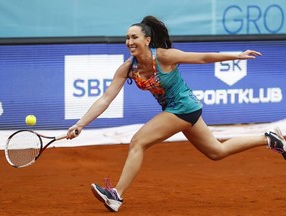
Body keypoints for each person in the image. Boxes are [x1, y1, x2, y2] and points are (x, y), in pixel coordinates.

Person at [67, 15, 286, 212]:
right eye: (127, 38)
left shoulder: (164, 56)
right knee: (216, 151)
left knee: (138, 142)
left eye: (134, 37)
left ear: (147, 40)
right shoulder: (128, 68)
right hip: (182, 109)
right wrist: (80, 124)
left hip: (183, 107)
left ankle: (116, 195)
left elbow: (202, 58)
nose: (129, 42)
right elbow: (106, 98)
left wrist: (236, 56)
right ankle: (269, 139)